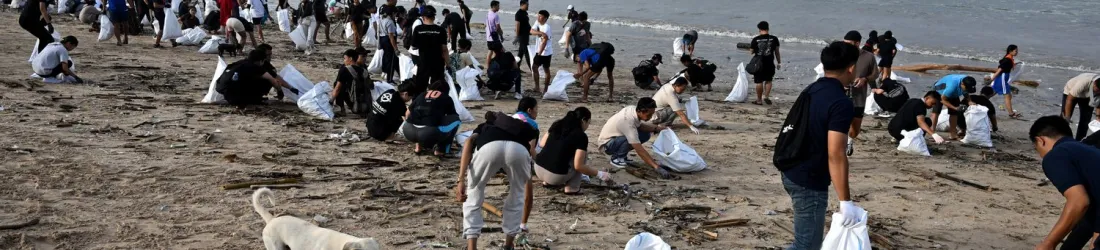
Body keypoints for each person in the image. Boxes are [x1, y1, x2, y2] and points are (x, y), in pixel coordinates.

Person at [780, 41, 862, 250]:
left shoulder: (812, 89)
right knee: (807, 246)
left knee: (805, 242)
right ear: (851, 68)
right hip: (809, 179)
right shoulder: (841, 102)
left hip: (790, 168)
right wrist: (845, 201)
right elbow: (836, 153)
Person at [455, 112, 539, 250]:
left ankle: (472, 246)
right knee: (516, 194)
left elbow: (468, 142)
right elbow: (530, 152)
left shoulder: (486, 126)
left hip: (489, 148)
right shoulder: (520, 129)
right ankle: (508, 244)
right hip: (518, 150)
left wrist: (461, 179)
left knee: (474, 192)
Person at [1029, 116, 1100, 250]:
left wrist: (1049, 243)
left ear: (1040, 140)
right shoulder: (1088, 152)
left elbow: (1079, 201)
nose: (1040, 155)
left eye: (1036, 149)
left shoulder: (1056, 155)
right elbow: (1090, 220)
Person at [535, 107, 612, 194]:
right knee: (582, 156)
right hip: (555, 176)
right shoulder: (581, 136)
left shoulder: (557, 125)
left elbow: (542, 144)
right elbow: (579, 166)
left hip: (538, 169)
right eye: (588, 123)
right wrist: (600, 174)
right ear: (583, 120)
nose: (587, 126)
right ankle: (572, 188)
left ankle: (548, 182)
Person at [597, 98, 672, 178]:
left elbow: (639, 126)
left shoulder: (633, 110)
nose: (650, 117)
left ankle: (622, 155)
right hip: (607, 145)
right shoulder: (627, 122)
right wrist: (656, 167)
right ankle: (617, 158)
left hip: (615, 139)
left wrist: (656, 128)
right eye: (649, 115)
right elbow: (639, 149)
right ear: (641, 111)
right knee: (631, 137)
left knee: (645, 134)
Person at [216, 50, 300, 108]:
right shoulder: (256, 67)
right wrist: (280, 91)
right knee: (267, 80)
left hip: (224, 91)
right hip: (236, 97)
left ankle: (248, 98)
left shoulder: (238, 63)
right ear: (261, 61)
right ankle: (253, 99)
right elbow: (273, 80)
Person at [402, 80, 460, 157]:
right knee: (456, 120)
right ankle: (441, 150)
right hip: (428, 133)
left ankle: (418, 146)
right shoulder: (446, 97)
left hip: (408, 131)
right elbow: (452, 115)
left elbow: (408, 112)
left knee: (419, 118)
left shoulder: (422, 95)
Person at [843, 30, 878, 156]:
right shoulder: (841, 55)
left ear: (857, 43)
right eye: (844, 43)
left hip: (859, 98)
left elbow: (875, 74)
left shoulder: (868, 57)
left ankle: (850, 140)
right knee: (839, 124)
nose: (846, 46)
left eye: (849, 43)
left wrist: (865, 79)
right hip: (841, 96)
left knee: (855, 129)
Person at [410, 6, 448, 97]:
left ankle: (418, 103)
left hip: (423, 61)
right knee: (438, 86)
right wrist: (448, 63)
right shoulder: (441, 30)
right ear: (434, 17)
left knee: (420, 85)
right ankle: (436, 103)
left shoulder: (418, 29)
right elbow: (444, 49)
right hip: (437, 62)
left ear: (423, 17)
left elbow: (414, 46)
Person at [929, 74, 977, 141]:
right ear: (962, 84)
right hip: (939, 91)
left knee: (954, 114)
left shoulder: (967, 80)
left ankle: (953, 134)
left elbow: (965, 92)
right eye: (967, 88)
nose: (967, 90)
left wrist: (969, 101)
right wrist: (955, 107)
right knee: (936, 111)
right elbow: (942, 100)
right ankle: (932, 133)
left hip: (954, 93)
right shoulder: (952, 87)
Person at [750, 21, 781, 105]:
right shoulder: (774, 39)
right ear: (768, 28)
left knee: (759, 81)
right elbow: (777, 52)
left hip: (759, 63)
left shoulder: (756, 39)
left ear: (759, 29)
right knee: (769, 80)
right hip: (770, 62)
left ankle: (759, 100)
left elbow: (751, 52)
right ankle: (766, 96)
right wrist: (779, 62)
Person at [331, 49, 371, 116]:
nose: (344, 61)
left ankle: (341, 109)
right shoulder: (364, 70)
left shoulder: (345, 69)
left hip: (355, 106)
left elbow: (337, 88)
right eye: (363, 56)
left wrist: (331, 101)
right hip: (366, 106)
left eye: (345, 58)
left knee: (338, 84)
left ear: (350, 58)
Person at [529, 10, 553, 93]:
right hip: (538, 50)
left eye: (540, 16)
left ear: (545, 18)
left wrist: (539, 54)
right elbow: (531, 31)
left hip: (546, 52)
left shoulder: (547, 27)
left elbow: (544, 42)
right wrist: (540, 33)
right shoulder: (537, 22)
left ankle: (546, 88)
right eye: (538, 15)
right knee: (534, 67)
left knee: (546, 69)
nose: (538, 17)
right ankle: (537, 87)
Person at [377, 5, 399, 83]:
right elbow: (391, 36)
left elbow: (378, 31)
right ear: (392, 13)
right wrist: (396, 49)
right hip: (388, 41)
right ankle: (389, 79)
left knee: (386, 57)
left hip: (382, 39)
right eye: (395, 14)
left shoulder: (381, 19)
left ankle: (386, 73)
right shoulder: (390, 22)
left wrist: (379, 43)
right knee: (391, 60)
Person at [512, 0, 532, 71]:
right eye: (527, 5)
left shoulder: (525, 13)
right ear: (522, 4)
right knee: (527, 52)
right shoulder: (519, 14)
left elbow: (526, 24)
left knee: (520, 52)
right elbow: (517, 25)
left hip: (526, 35)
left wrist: (531, 31)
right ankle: (532, 69)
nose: (528, 6)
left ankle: (516, 67)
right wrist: (517, 36)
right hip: (522, 36)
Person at [484, 1, 503, 67]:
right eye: (498, 6)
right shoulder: (496, 15)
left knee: (490, 51)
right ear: (494, 6)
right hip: (494, 37)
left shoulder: (488, 13)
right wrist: (501, 34)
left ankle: (488, 66)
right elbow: (498, 27)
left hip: (488, 37)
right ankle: (497, 66)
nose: (499, 7)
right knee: (500, 52)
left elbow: (487, 25)